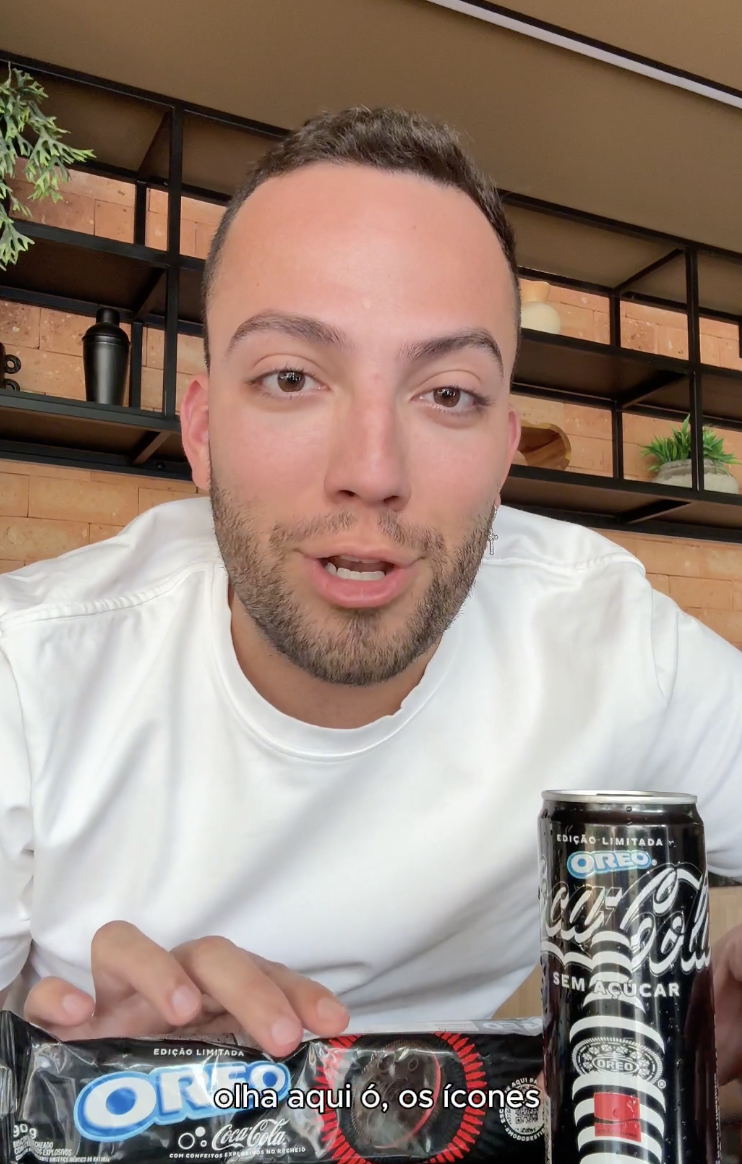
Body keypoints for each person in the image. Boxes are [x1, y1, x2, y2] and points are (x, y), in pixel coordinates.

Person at [1, 107, 741, 1087]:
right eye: (292, 377)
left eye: (448, 394)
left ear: (503, 457)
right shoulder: (27, 673)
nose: (373, 472)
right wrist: (62, 1099)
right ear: (203, 432)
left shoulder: (607, 640)